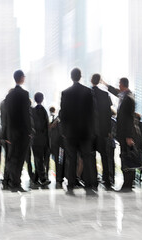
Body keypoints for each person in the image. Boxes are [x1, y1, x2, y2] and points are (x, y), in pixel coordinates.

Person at [60, 68, 97, 196]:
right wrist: (92, 130)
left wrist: (64, 131)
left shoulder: (65, 93)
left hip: (70, 133)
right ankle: (88, 186)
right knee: (87, 159)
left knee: (71, 159)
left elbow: (63, 114)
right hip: (85, 132)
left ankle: (71, 186)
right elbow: (92, 113)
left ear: (71, 77)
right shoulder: (87, 91)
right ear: (80, 76)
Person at [101, 77, 136, 192]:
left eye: (119, 84)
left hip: (127, 135)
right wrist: (105, 84)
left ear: (122, 85)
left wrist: (129, 136)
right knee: (124, 157)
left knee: (127, 158)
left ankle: (128, 184)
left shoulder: (129, 98)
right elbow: (115, 92)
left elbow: (130, 119)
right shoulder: (124, 96)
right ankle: (127, 184)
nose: (118, 86)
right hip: (123, 135)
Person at [3, 70, 32, 192]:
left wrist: (6, 133)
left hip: (12, 132)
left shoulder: (8, 96)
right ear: (21, 78)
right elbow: (26, 114)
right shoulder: (24, 94)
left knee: (13, 157)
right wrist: (29, 130)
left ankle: (12, 181)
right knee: (20, 158)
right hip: (22, 131)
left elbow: (6, 117)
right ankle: (16, 182)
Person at [91, 73, 113, 190]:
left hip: (90, 132)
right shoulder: (105, 94)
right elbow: (108, 114)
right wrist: (109, 131)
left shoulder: (87, 93)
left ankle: (93, 179)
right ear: (99, 81)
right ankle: (107, 179)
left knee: (91, 155)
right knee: (104, 156)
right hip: (103, 131)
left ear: (91, 81)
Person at [30, 92, 51, 186]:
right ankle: (42, 178)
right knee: (40, 159)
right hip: (43, 139)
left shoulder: (32, 111)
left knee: (37, 159)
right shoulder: (43, 110)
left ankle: (35, 178)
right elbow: (45, 126)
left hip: (34, 139)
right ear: (42, 99)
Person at [48, 107, 65, 187]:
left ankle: (59, 177)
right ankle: (59, 177)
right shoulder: (59, 121)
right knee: (60, 161)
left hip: (55, 143)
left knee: (57, 160)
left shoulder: (55, 120)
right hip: (60, 143)